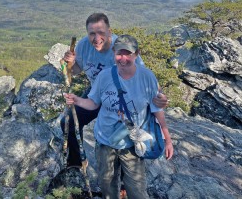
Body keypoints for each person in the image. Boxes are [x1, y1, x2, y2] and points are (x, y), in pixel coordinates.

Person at [64, 34, 173, 199]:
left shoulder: (146, 77)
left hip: (131, 144)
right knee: (108, 189)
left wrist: (167, 138)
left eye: (128, 53)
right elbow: (93, 103)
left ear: (136, 54)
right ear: (113, 53)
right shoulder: (105, 76)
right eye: (119, 53)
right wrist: (77, 100)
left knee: (137, 191)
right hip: (105, 141)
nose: (123, 58)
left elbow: (157, 108)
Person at [61, 13, 168, 167]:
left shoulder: (121, 49)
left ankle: (126, 180)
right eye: (92, 33)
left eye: (101, 33)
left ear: (109, 32)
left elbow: (144, 76)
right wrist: (70, 63)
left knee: (123, 137)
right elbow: (77, 70)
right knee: (69, 121)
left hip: (123, 98)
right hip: (97, 94)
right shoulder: (83, 45)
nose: (96, 38)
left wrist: (160, 95)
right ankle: (76, 164)